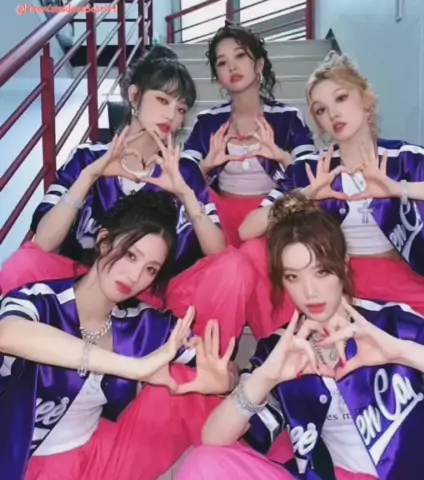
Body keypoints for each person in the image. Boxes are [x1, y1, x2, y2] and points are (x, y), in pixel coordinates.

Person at [177, 192, 424, 480]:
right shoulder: (281, 348)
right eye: (293, 277)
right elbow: (213, 439)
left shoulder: (392, 323)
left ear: (343, 264)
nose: (310, 291)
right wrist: (265, 377)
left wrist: (403, 352)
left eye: (321, 271)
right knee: (203, 463)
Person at [0, 46, 255, 351]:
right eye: (162, 100)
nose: (171, 116)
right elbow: (43, 242)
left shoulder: (183, 169)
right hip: (87, 281)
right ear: (134, 96)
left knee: (234, 266)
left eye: (181, 109)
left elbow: (218, 253)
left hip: (156, 292)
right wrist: (89, 176)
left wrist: (185, 194)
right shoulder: (87, 157)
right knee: (23, 264)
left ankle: (206, 369)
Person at [238, 51, 424, 345]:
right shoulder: (312, 169)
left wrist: (400, 189)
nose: (333, 114)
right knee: (253, 252)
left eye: (341, 98)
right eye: (320, 110)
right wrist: (307, 195)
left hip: (399, 281)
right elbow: (247, 229)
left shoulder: (404, 159)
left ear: (366, 99)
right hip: (332, 284)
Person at [0, 189, 236, 480]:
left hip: (98, 455)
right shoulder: (41, 300)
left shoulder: (142, 323)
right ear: (104, 241)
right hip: (19, 460)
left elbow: (224, 366)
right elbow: (7, 335)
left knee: (186, 387)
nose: (135, 276)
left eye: (150, 269)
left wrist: (224, 382)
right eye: (130, 255)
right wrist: (133, 367)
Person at [181, 22, 316, 247]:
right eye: (222, 62)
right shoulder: (207, 121)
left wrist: (281, 156)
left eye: (240, 56)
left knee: (254, 253)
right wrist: (205, 166)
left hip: (272, 217)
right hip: (220, 218)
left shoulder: (288, 117)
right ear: (217, 76)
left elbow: (310, 176)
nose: (232, 67)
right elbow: (182, 177)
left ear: (259, 64)